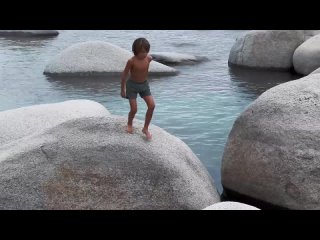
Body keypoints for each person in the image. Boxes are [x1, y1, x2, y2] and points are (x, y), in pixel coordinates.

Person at [120, 38, 155, 140]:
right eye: (142, 52)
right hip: (132, 86)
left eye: (146, 51)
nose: (144, 54)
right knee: (134, 109)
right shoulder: (131, 61)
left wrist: (147, 56)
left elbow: (148, 59)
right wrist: (123, 90)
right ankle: (129, 124)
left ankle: (145, 128)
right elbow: (124, 75)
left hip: (144, 85)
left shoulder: (148, 58)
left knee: (152, 105)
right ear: (135, 51)